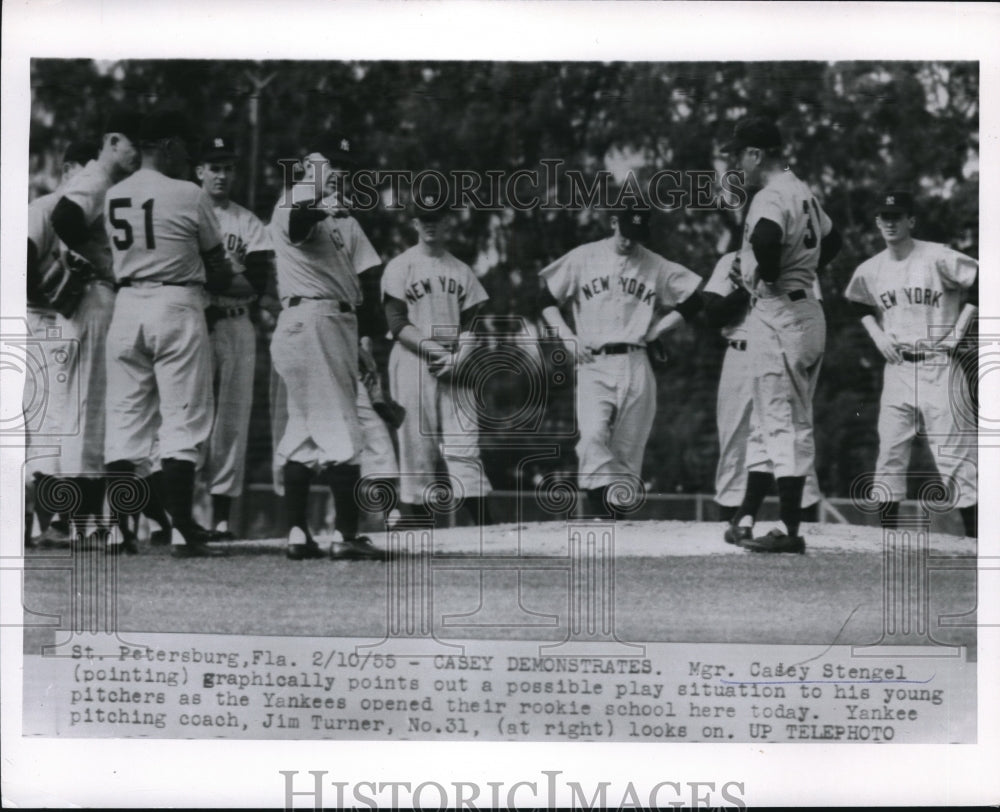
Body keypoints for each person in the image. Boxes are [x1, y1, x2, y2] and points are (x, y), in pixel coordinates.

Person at [103, 108, 236, 558]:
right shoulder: (188, 192)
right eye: (182, 146)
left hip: (126, 305)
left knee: (125, 421)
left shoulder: (113, 193)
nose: (186, 154)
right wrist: (219, 278)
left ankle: (119, 531)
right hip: (175, 303)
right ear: (168, 145)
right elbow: (218, 268)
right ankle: (181, 528)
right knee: (182, 420)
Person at [719, 116, 841, 553]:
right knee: (770, 418)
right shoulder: (801, 189)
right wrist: (801, 268)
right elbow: (834, 238)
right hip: (804, 308)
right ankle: (746, 516)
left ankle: (790, 529)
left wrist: (766, 273)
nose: (736, 163)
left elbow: (767, 241)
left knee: (784, 421)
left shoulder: (769, 195)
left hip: (779, 312)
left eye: (738, 155)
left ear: (756, 154)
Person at [539, 203, 703, 518]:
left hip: (636, 359)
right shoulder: (584, 256)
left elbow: (697, 297)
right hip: (593, 361)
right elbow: (545, 299)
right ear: (614, 222)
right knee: (592, 436)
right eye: (626, 232)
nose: (629, 241)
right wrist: (567, 338)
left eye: (636, 235)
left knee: (629, 446)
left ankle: (616, 524)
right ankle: (600, 514)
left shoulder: (654, 264)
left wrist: (661, 328)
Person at [268, 135, 387, 561]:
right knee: (343, 426)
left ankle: (298, 534)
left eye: (345, 166)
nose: (340, 172)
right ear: (308, 165)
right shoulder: (298, 198)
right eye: (331, 164)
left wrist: (362, 340)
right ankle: (346, 535)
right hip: (314, 320)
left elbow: (366, 279)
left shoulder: (339, 213)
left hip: (328, 321)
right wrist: (320, 204)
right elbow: (298, 225)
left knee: (303, 431)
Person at [845, 190, 978, 537]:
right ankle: (886, 540)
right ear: (877, 221)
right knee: (889, 452)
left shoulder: (937, 256)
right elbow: (857, 302)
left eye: (897, 216)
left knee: (957, 459)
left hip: (940, 364)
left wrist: (959, 331)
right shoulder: (871, 268)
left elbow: (983, 282)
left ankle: (980, 543)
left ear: (911, 221)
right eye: (884, 217)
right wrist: (876, 335)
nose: (890, 223)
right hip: (899, 367)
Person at [49, 111, 142, 550]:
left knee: (90, 408)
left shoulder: (108, 181)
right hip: (92, 296)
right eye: (131, 144)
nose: (137, 153)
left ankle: (84, 520)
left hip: (95, 299)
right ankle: (80, 522)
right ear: (112, 140)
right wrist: (98, 257)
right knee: (88, 408)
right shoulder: (97, 176)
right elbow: (64, 218)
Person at [381, 191, 494, 525]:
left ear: (448, 220)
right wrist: (441, 352)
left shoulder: (461, 270)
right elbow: (397, 323)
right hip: (413, 358)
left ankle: (487, 530)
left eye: (437, 217)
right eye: (424, 218)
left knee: (465, 444)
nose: (431, 225)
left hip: (456, 362)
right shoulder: (400, 266)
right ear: (415, 222)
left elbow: (474, 320)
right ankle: (417, 526)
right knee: (417, 447)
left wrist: (461, 356)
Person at [703, 250, 823, 527]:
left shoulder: (798, 260)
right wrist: (750, 288)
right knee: (734, 440)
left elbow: (809, 312)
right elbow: (712, 314)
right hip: (740, 352)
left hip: (782, 353)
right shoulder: (730, 259)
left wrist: (759, 283)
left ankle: (803, 522)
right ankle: (731, 523)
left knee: (791, 433)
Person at [196, 135, 273, 539]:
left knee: (232, 421)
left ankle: (221, 519)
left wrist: (213, 277)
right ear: (200, 172)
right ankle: (177, 516)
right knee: (187, 414)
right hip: (195, 321)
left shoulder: (248, 222)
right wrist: (228, 276)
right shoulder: (186, 211)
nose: (221, 175)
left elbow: (257, 282)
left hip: (237, 322)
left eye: (228, 168)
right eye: (214, 167)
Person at [25, 140, 98, 547]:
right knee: (48, 423)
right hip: (37, 320)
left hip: (63, 323)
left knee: (57, 422)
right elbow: (18, 258)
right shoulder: (46, 207)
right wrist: (53, 293)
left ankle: (48, 525)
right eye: (85, 169)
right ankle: (47, 524)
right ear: (69, 168)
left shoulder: (85, 211)